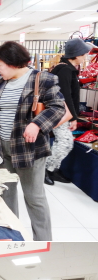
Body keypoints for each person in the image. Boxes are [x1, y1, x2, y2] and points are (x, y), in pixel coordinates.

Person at [0, 41, 67, 240]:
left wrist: (37, 124)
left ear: (12, 62)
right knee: (5, 194)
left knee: (34, 197)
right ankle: (11, 235)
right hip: (1, 148)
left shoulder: (42, 79)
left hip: (29, 149)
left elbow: (58, 108)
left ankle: (43, 240)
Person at [46, 38, 92, 184]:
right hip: (61, 113)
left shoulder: (65, 68)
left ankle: (53, 168)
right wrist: (72, 117)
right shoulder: (65, 70)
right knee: (65, 143)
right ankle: (47, 169)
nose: (85, 57)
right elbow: (65, 96)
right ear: (76, 55)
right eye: (83, 54)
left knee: (62, 142)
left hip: (61, 112)